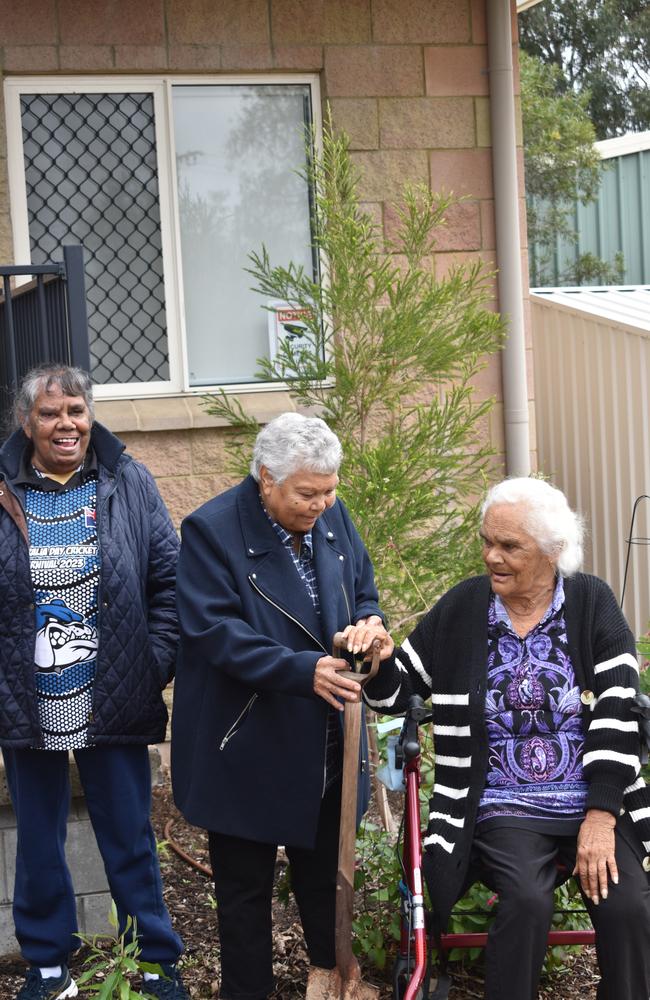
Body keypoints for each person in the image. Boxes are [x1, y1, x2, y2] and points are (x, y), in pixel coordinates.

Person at [363, 477, 650, 1000]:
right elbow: (394, 694)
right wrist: (378, 657)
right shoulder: (464, 608)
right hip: (501, 803)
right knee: (525, 899)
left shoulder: (592, 604)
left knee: (630, 906)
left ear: (552, 551)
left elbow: (617, 711)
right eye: (487, 541)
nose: (492, 556)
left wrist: (601, 818)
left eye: (510, 546)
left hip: (595, 802)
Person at [171, 412, 390, 1000]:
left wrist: (368, 627)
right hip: (244, 738)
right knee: (245, 895)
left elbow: (362, 591)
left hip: (323, 734)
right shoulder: (211, 530)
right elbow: (213, 630)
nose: (322, 503)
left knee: (324, 875)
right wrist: (300, 669)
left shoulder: (333, 515)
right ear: (266, 478)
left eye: (330, 490)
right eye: (307, 493)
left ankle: (331, 978)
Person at [0, 365, 188, 1000]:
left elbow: (169, 581)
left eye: (76, 411)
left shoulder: (128, 481)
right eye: (51, 414)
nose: (67, 425)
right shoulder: (3, 487)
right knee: (40, 838)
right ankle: (49, 962)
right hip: (29, 698)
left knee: (129, 832)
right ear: (27, 422)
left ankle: (156, 960)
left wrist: (152, 659)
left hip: (113, 689)